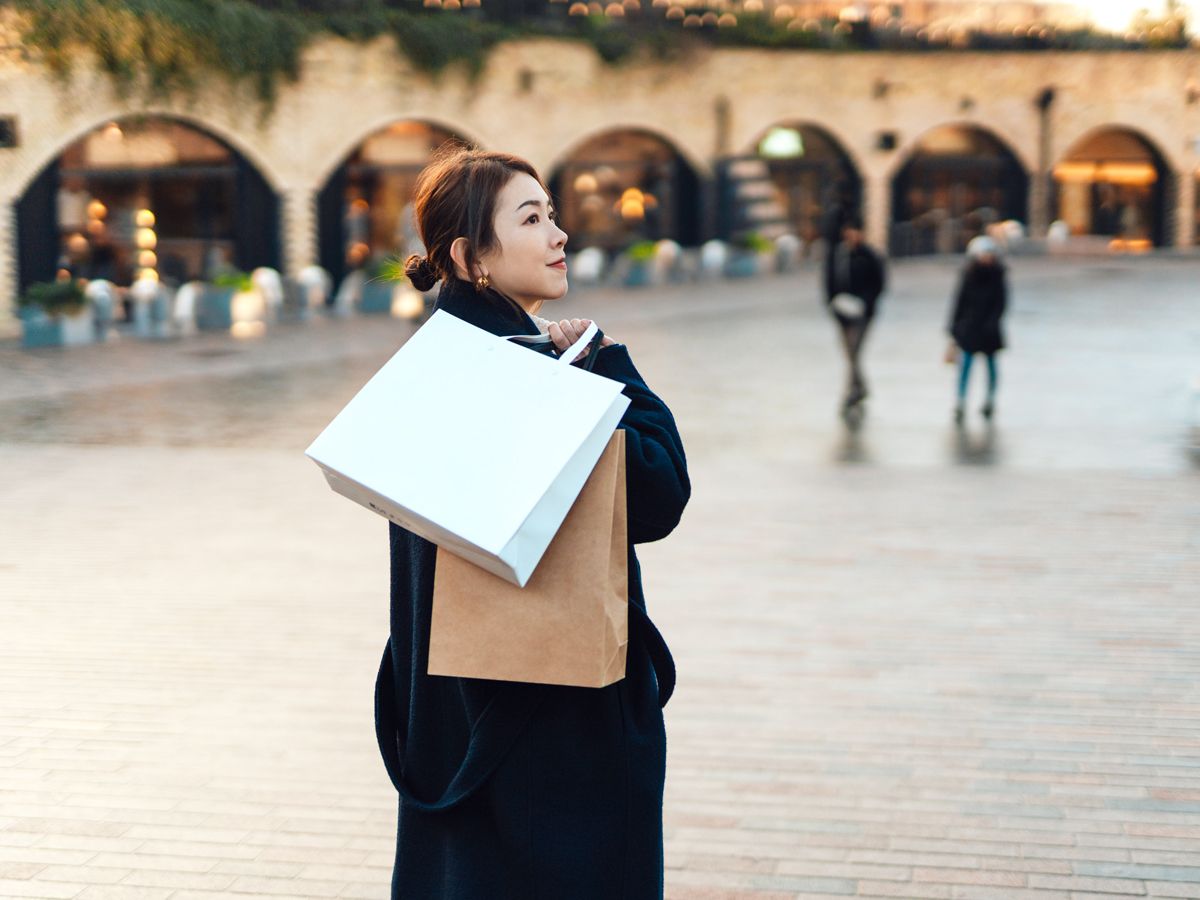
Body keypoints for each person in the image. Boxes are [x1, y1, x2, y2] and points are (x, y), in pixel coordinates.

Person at [376, 147, 690, 899]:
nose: (559, 236)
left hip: (452, 715)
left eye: (552, 215)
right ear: (470, 255)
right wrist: (608, 362)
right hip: (550, 724)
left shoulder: (430, 369)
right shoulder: (523, 376)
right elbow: (658, 493)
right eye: (531, 218)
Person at [824, 215, 886, 418]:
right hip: (842, 312)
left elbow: (878, 284)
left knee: (854, 351)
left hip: (862, 314)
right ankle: (860, 387)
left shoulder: (870, 255)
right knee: (850, 353)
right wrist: (833, 303)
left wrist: (864, 303)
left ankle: (851, 392)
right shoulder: (838, 255)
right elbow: (829, 282)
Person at [947, 234, 1008, 425]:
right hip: (970, 327)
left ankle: (989, 400)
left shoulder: (998, 275)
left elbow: (1001, 303)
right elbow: (959, 301)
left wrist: (993, 322)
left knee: (991, 366)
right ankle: (961, 401)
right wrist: (954, 328)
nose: (986, 258)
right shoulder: (968, 275)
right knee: (965, 365)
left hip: (989, 329)